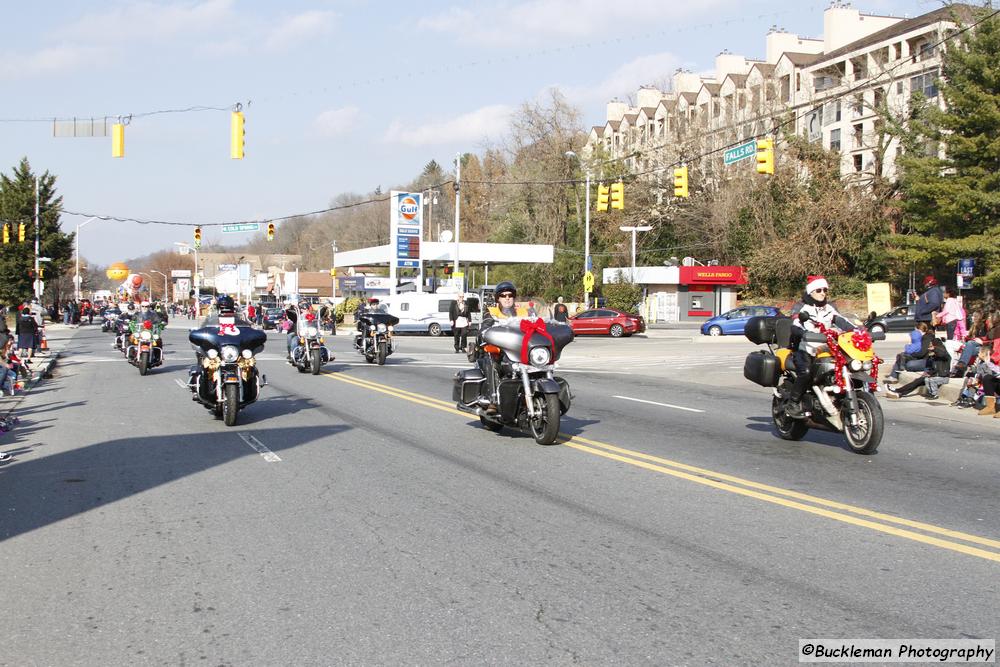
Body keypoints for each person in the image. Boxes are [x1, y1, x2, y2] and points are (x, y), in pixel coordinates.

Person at [786, 276, 855, 419]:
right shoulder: (801, 307)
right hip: (805, 348)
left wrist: (859, 331)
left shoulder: (829, 308)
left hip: (827, 347)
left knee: (848, 365)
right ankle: (793, 402)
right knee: (806, 372)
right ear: (811, 291)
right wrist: (804, 333)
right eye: (819, 290)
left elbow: (843, 321)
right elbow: (796, 324)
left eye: (825, 290)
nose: (823, 293)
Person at [478, 281, 530, 415]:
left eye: (510, 295)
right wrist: (485, 330)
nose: (507, 298)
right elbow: (485, 327)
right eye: (503, 295)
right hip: (499, 352)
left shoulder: (524, 312)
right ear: (498, 298)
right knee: (492, 361)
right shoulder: (492, 312)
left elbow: (536, 324)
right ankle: (493, 400)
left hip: (520, 352)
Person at [885, 334, 951, 400]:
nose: (930, 346)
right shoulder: (934, 356)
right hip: (933, 375)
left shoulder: (945, 355)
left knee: (920, 381)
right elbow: (932, 368)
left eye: (932, 345)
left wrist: (935, 349)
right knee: (916, 382)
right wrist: (927, 372)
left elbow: (942, 353)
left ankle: (898, 391)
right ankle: (899, 392)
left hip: (941, 377)